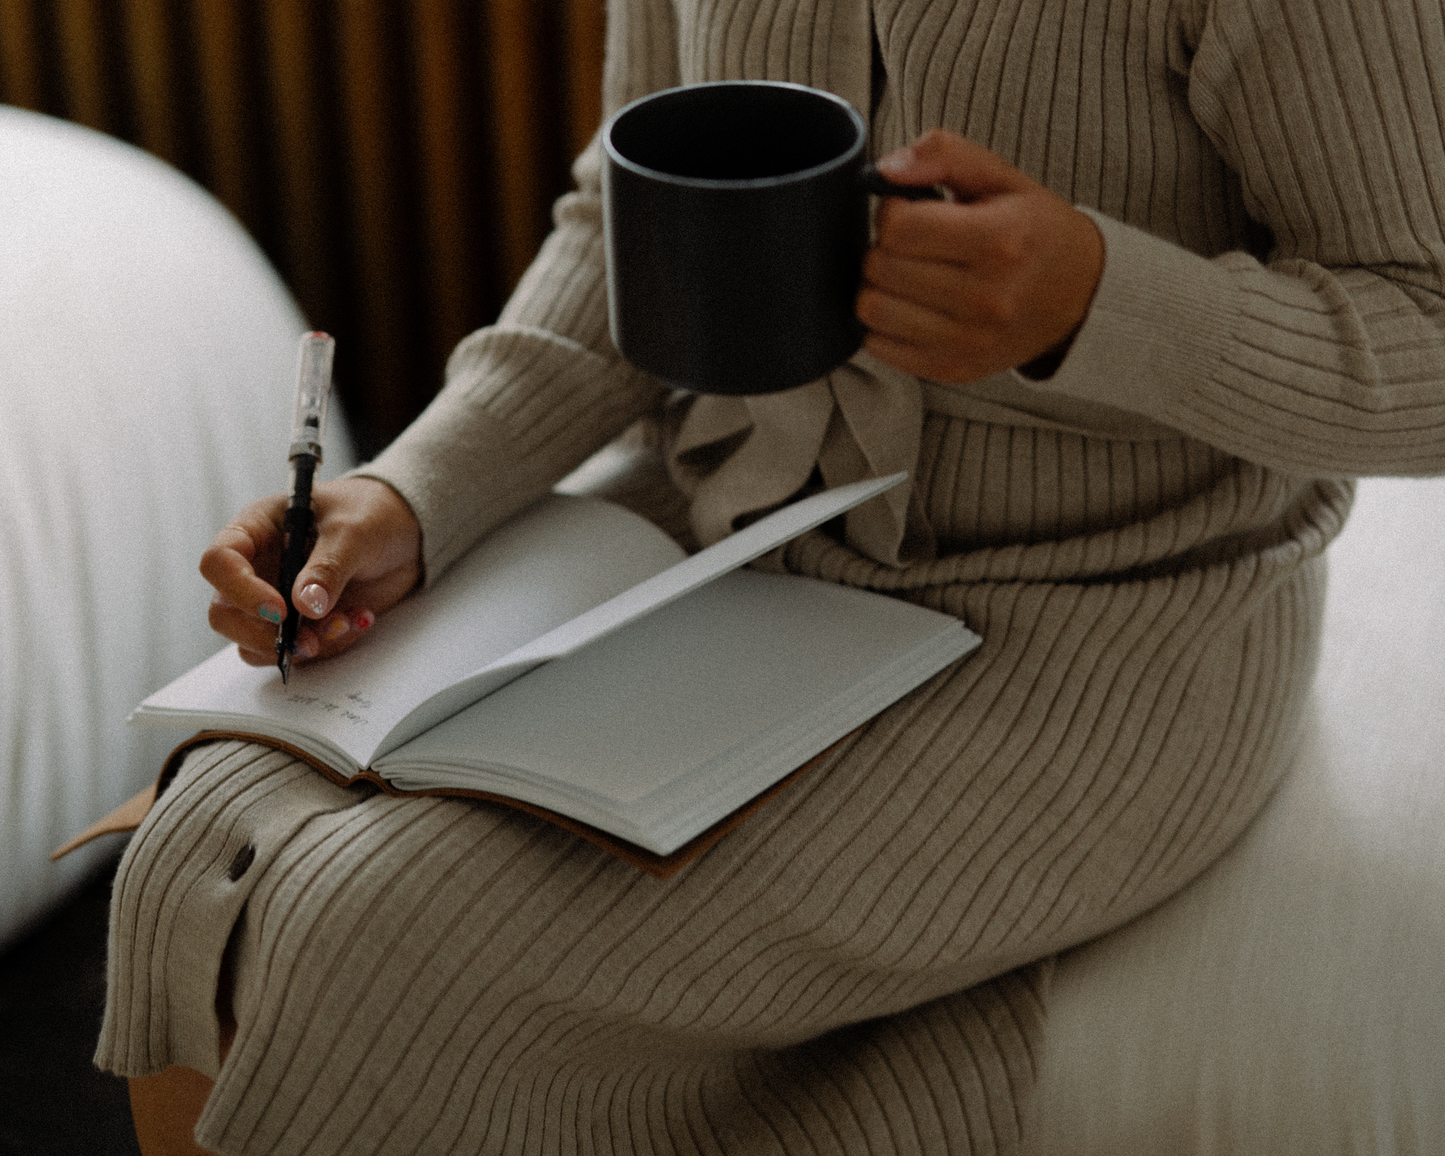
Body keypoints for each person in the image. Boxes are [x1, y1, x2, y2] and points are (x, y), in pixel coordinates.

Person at [102, 1, 1445, 1153]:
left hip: (1102, 609)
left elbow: (1427, 325)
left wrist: (1102, 302)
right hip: (710, 530)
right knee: (187, 846)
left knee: (368, 944)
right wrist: (414, 491)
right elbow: (618, 214)